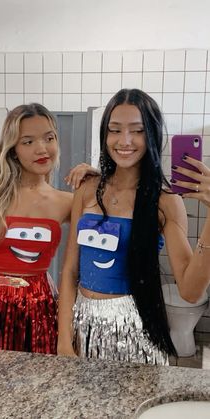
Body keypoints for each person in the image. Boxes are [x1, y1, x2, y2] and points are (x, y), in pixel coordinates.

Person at [57, 88, 210, 365]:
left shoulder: (165, 201)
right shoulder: (87, 189)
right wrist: (63, 339)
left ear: (151, 134)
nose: (124, 141)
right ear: (105, 134)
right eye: (114, 130)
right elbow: (69, 270)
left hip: (136, 329)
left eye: (137, 131)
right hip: (83, 325)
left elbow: (190, 290)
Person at [0, 103, 97, 354]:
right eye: (28, 142)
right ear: (13, 149)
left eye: (49, 138)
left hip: (38, 310)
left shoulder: (67, 202)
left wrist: (99, 180)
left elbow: (114, 217)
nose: (42, 149)